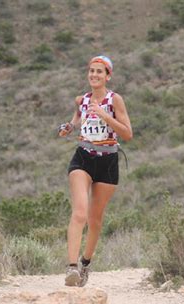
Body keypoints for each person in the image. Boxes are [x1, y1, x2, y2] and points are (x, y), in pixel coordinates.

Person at [58, 55, 132, 287]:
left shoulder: (114, 100)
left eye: (100, 72)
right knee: (80, 213)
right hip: (83, 157)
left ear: (108, 76)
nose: (94, 75)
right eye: (91, 71)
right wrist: (68, 127)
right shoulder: (81, 99)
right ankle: (71, 268)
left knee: (95, 219)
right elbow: (77, 119)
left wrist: (105, 115)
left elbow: (128, 134)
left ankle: (85, 263)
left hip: (108, 161)